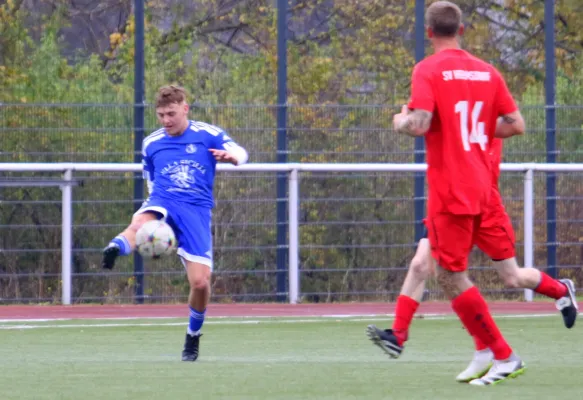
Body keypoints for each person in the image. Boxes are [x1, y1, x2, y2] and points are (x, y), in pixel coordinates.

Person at [366, 1, 539, 386]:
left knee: (449, 273)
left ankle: (504, 354)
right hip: (481, 185)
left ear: (428, 33)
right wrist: (474, 129)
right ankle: (475, 349)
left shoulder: (427, 69)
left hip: (451, 188)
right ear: (461, 30)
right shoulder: (488, 72)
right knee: (432, 266)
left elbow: (419, 123)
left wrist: (399, 120)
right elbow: (516, 125)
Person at [367, 137, 578, 383]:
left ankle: (561, 290)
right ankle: (400, 336)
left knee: (512, 277)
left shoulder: (486, 111)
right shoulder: (455, 108)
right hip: (451, 205)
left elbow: (509, 126)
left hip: (484, 207)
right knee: (423, 266)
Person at [101, 85, 249, 362]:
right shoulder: (152, 143)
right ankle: (115, 248)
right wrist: (154, 210)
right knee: (141, 223)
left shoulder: (208, 135)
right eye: (160, 115)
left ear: (185, 108)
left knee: (201, 284)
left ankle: (192, 336)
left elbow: (240, 151)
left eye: (171, 114)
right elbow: (151, 182)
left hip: (196, 211)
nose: (166, 120)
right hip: (164, 200)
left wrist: (234, 159)